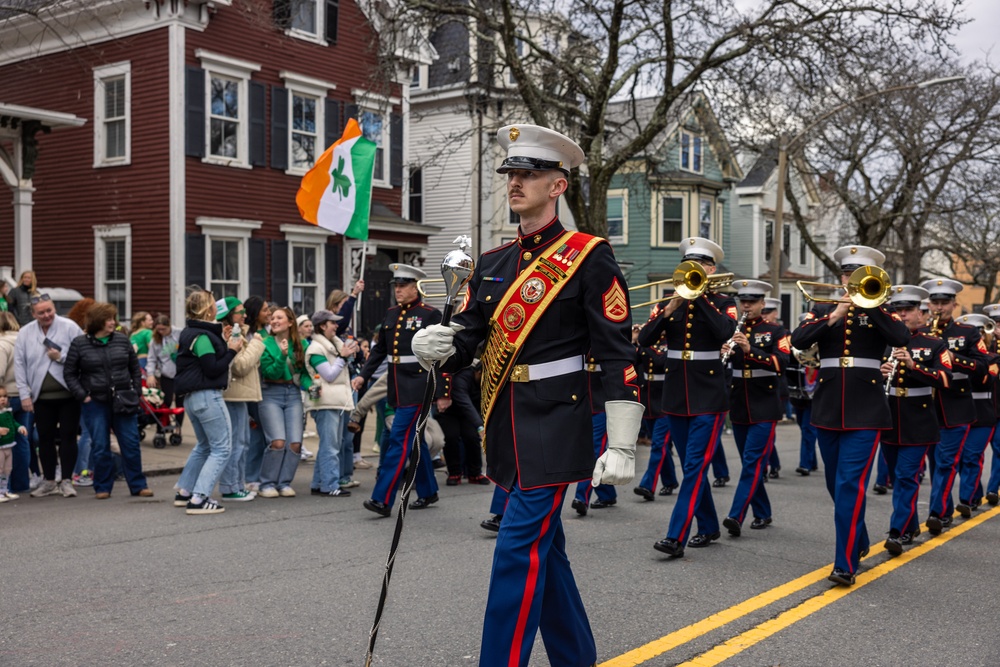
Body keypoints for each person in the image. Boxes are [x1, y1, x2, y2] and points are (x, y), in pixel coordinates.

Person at [411, 124, 643, 667]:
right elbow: (469, 340)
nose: (515, 183)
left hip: (558, 422)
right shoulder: (492, 262)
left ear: (557, 185)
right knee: (547, 555)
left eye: (529, 174)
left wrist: (623, 442)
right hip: (506, 420)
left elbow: (616, 353)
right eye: (511, 174)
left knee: (516, 553)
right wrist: (437, 344)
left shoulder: (588, 256)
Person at [791, 245, 909, 585]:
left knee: (849, 484)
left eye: (857, 273)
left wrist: (870, 306)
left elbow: (901, 337)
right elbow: (798, 340)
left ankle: (844, 564)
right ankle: (857, 537)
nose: (850, 278)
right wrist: (835, 315)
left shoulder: (883, 309)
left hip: (867, 409)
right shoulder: (825, 306)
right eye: (846, 272)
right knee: (834, 483)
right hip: (828, 406)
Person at [638, 237, 737, 558]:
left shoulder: (723, 302)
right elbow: (647, 340)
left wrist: (700, 297)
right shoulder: (669, 301)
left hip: (709, 396)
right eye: (689, 265)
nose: (695, 270)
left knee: (694, 467)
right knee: (691, 467)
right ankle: (708, 525)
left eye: (702, 265)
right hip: (676, 395)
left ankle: (675, 536)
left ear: (712, 269)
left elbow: (724, 331)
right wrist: (669, 309)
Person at [352, 263, 444, 516]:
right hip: (396, 385)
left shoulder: (429, 315)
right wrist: (363, 376)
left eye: (403, 286)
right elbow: (380, 350)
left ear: (416, 287)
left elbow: (442, 355)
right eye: (397, 286)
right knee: (416, 441)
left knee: (398, 440)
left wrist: (443, 392)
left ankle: (382, 499)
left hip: (418, 386)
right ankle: (428, 490)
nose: (398, 290)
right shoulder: (391, 314)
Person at [879, 285, 950, 554]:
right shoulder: (884, 344)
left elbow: (946, 378)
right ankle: (909, 525)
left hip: (919, 419)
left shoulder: (934, 344)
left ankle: (896, 532)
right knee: (897, 479)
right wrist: (880, 371)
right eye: (897, 310)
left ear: (921, 313)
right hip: (889, 416)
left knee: (907, 477)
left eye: (908, 310)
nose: (902, 315)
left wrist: (913, 365)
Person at [64, 302, 152, 499]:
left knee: (130, 443)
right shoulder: (79, 343)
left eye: (113, 318)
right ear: (98, 322)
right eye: (109, 319)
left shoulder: (122, 340)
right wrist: (82, 395)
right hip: (95, 402)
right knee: (100, 445)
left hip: (123, 399)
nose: (113, 322)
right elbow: (69, 373)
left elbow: (134, 367)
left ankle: (138, 485)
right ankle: (103, 487)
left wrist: (136, 391)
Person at [918, 278, 986, 535]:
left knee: (946, 462)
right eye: (934, 302)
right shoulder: (921, 332)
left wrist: (952, 358)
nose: (938, 307)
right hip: (925, 405)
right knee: (935, 463)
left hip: (955, 405)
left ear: (954, 304)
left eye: (944, 302)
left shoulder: (968, 332)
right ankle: (944, 509)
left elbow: (982, 368)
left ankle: (936, 512)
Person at [721, 280, 787, 537]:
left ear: (763, 303)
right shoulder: (731, 330)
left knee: (751, 462)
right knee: (753, 463)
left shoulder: (775, 331)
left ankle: (735, 515)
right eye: (742, 301)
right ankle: (763, 512)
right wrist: (723, 350)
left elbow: (782, 362)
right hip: (739, 402)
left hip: (765, 404)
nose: (746, 306)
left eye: (752, 301)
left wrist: (752, 349)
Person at [173, 290, 242, 515]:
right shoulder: (201, 336)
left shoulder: (192, 332)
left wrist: (222, 341)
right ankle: (199, 498)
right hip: (206, 396)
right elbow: (211, 368)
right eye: (213, 303)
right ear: (208, 309)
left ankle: (185, 491)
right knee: (222, 448)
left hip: (193, 398)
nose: (216, 307)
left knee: (204, 446)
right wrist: (231, 350)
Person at [14, 293, 84, 498]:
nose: (47, 315)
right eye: (41, 312)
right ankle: (50, 480)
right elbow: (19, 365)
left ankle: (68, 480)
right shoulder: (25, 333)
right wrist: (24, 394)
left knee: (68, 437)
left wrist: (60, 357)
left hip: (68, 393)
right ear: (33, 314)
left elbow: (82, 356)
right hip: (41, 396)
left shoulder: (69, 326)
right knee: (44, 439)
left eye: (49, 311)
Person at [257, 306, 310, 498]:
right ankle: (266, 484)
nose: (274, 321)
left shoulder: (301, 344)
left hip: (293, 393)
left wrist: (311, 385)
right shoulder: (265, 343)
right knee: (278, 441)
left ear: (290, 322)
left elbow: (303, 374)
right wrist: (281, 354)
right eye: (272, 318)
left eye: (279, 318)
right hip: (271, 393)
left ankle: (284, 482)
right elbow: (271, 372)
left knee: (295, 443)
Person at [305, 309, 358, 497]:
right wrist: (342, 357)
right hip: (325, 402)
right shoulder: (316, 349)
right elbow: (328, 374)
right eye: (332, 323)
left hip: (334, 401)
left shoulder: (333, 345)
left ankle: (319, 483)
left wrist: (349, 354)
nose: (336, 326)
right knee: (331, 446)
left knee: (329, 445)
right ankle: (330, 485)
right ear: (322, 326)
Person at [217, 297, 265, 502]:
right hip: (233, 395)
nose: (245, 315)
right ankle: (230, 487)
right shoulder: (229, 333)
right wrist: (256, 344)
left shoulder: (237, 331)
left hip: (239, 394)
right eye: (239, 312)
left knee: (242, 441)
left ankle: (237, 484)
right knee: (236, 442)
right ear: (228, 315)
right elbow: (240, 366)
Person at [952, 313, 997, 518]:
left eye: (980, 334)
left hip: (983, 411)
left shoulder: (993, 358)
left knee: (971, 455)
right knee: (961, 458)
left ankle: (966, 500)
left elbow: (986, 378)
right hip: (959, 408)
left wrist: (963, 360)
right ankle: (975, 493)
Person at [634, 324, 678, 500]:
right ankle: (670, 481)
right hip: (648, 400)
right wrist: (633, 341)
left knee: (659, 444)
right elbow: (632, 360)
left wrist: (644, 343)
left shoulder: (672, 342)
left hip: (666, 401)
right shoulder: (646, 343)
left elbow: (661, 362)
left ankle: (648, 485)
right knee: (661, 445)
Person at [437, 361, 487, 486]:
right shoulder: (462, 378)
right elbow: (465, 403)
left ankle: (475, 473)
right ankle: (454, 472)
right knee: (451, 437)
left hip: (469, 414)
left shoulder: (485, 382)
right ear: (478, 372)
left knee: (472, 438)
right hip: (451, 411)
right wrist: (480, 426)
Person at [241, 296, 271, 490]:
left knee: (267, 434)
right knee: (256, 433)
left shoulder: (270, 331)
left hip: (270, 388)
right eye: (265, 310)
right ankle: (251, 477)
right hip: (254, 388)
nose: (269, 313)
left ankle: (262, 474)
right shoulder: (248, 334)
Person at [0, 311, 31, 494]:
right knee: (21, 439)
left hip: (6, 397)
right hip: (24, 395)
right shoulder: (24, 342)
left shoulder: (2, 344)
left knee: (4, 441)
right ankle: (21, 483)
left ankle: (5, 486)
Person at [788, 313, 819, 476]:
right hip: (798, 394)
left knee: (808, 428)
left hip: (814, 394)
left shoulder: (821, 344)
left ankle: (805, 463)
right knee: (803, 426)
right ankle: (812, 460)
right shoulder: (796, 347)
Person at [146, 314, 185, 427]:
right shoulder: (156, 340)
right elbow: (152, 358)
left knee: (180, 403)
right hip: (166, 374)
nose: (161, 332)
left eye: (164, 329)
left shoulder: (179, 333)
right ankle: (162, 427)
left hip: (181, 373)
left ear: (169, 326)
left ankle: (178, 428)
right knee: (165, 402)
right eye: (158, 329)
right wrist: (150, 374)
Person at [983, 302, 1000, 506]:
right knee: (971, 454)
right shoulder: (983, 345)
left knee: (998, 447)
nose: (997, 329)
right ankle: (973, 492)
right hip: (984, 406)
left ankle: (993, 489)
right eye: (995, 324)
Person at [0, 386, 28, 501]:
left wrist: (20, 427)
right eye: (0, 397)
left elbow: (14, 422)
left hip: (9, 445)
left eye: (5, 396)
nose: (3, 399)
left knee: (7, 469)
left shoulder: (7, 412)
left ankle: (4, 490)